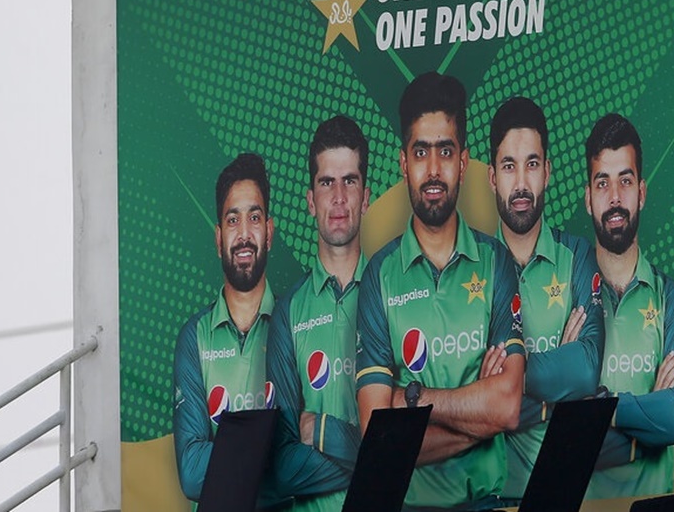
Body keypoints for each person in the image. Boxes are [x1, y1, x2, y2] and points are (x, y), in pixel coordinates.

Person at [355, 72, 524, 510]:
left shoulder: (497, 263)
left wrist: (411, 400)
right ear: (402, 163)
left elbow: (506, 405)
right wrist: (478, 412)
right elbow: (378, 437)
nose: (433, 171)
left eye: (445, 152)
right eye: (421, 152)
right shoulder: (379, 275)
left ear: (464, 162)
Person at [488, 97, 604, 499]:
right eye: (509, 166)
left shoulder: (578, 258)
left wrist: (500, 384)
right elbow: (459, 384)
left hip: (565, 494)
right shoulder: (470, 266)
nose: (521, 183)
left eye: (532, 164)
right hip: (486, 498)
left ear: (548, 172)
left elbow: (587, 369)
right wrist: (555, 389)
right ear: (491, 177)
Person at [583, 113, 674, 500]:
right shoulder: (566, 297)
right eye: (603, 183)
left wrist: (601, 407)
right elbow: (555, 437)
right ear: (588, 198)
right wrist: (650, 407)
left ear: (642, 192)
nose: (615, 197)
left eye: (625, 181)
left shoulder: (670, 297)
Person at [267, 116, 369, 510]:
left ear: (366, 195)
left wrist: (320, 429)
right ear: (311, 201)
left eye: (350, 181)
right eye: (327, 182)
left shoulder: (394, 290)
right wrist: (373, 456)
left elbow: (413, 441)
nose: (339, 196)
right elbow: (284, 465)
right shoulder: (289, 312)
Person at [173, 153, 280, 506]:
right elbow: (191, 473)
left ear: (270, 231)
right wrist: (276, 443)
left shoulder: (295, 324)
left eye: (254, 217)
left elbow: (316, 458)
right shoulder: (195, 337)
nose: (245, 234)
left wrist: (226, 449)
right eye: (233, 220)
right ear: (219, 237)